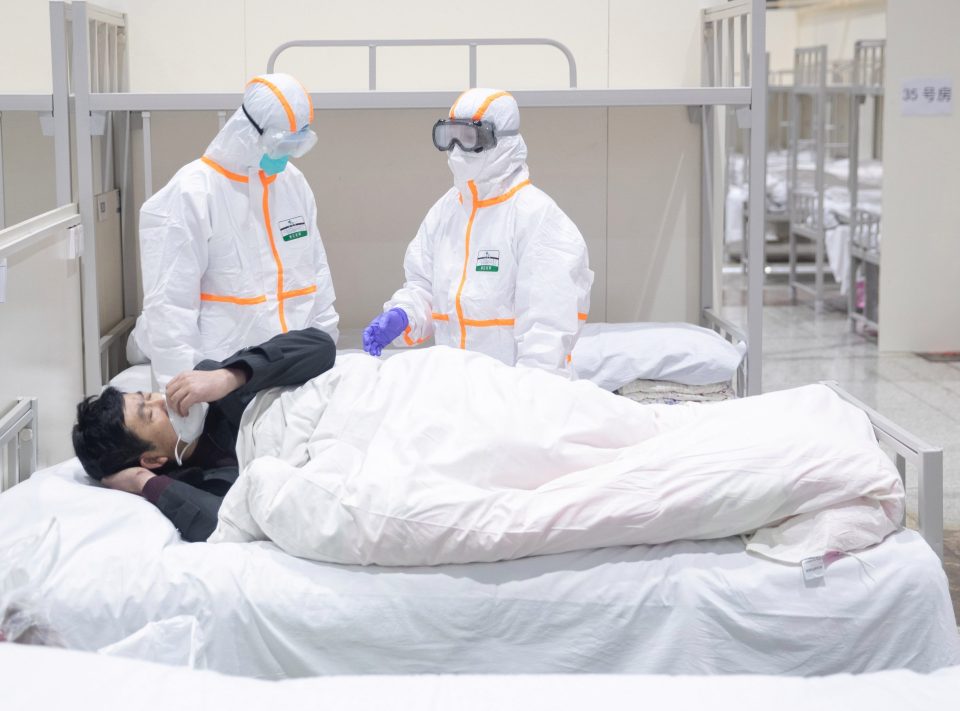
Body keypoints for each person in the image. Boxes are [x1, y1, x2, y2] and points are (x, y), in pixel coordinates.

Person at [128, 72, 339, 392]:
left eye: (298, 145)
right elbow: (170, 311)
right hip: (224, 380)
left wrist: (326, 350)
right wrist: (185, 408)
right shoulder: (192, 193)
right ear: (248, 133)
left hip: (294, 375)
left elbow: (317, 277)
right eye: (283, 144)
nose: (288, 156)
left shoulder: (293, 185)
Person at [362, 88, 593, 378]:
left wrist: (529, 399)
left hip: (512, 396)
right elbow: (423, 287)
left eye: (469, 138)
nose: (457, 150)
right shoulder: (445, 211)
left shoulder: (537, 217)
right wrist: (404, 315)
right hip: (456, 390)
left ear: (501, 141)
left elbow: (548, 330)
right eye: (449, 137)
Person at [73, 328, 336, 542]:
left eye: (148, 396)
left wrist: (231, 375)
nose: (162, 401)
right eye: (149, 415)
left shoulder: (214, 384)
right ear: (152, 460)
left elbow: (321, 346)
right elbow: (223, 526)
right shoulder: (192, 487)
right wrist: (143, 481)